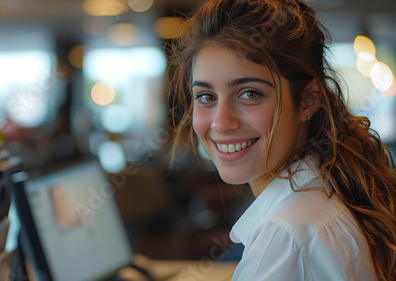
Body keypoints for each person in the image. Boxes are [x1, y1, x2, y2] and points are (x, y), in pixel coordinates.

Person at [167, 0, 396, 280]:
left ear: (309, 100)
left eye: (249, 94)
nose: (220, 123)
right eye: (206, 97)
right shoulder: (326, 192)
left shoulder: (285, 236)